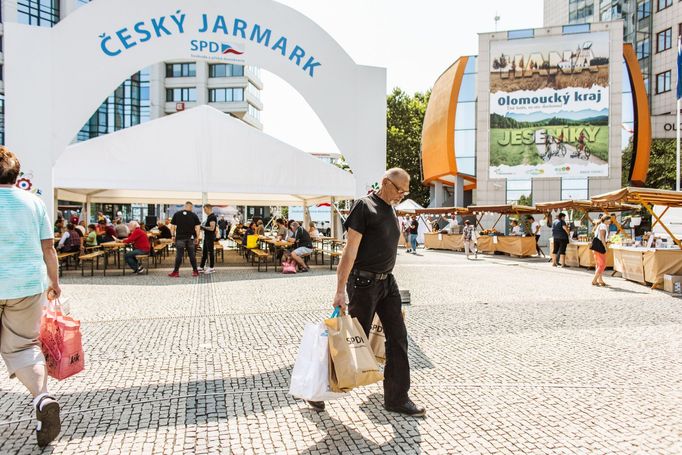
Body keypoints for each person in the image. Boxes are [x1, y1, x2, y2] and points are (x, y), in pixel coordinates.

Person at [308, 168, 425, 416]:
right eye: (400, 189)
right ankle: (316, 389)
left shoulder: (391, 208)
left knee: (398, 338)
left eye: (406, 191)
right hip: (363, 285)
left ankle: (396, 398)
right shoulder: (364, 207)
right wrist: (340, 290)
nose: (403, 195)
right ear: (385, 183)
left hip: (387, 283)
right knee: (348, 342)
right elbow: (349, 251)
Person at [0, 147, 62, 447]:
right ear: (17, 174)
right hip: (27, 285)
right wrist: (55, 282)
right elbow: (49, 248)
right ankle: (41, 398)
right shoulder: (34, 202)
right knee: (24, 347)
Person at [168, 202, 201, 278]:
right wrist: (197, 237)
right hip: (191, 238)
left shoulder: (177, 214)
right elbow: (198, 227)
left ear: (184, 206)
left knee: (179, 255)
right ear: (190, 207)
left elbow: (172, 227)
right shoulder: (194, 215)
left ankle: (176, 272)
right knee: (192, 255)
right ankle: (195, 271)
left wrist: (173, 235)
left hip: (180, 238)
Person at [592, 215, 611, 287]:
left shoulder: (600, 225)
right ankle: (594, 280)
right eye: (609, 219)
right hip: (600, 246)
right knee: (602, 264)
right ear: (605, 220)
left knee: (598, 264)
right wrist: (605, 247)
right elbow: (602, 236)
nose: (610, 221)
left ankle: (600, 280)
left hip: (596, 246)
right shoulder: (603, 226)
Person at [199, 204, 218, 274]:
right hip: (207, 236)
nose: (204, 211)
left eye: (205, 209)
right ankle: (201, 266)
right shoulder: (209, 216)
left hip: (210, 237)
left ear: (208, 208)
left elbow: (212, 228)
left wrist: (203, 227)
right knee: (204, 252)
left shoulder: (212, 217)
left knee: (210, 252)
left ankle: (211, 267)